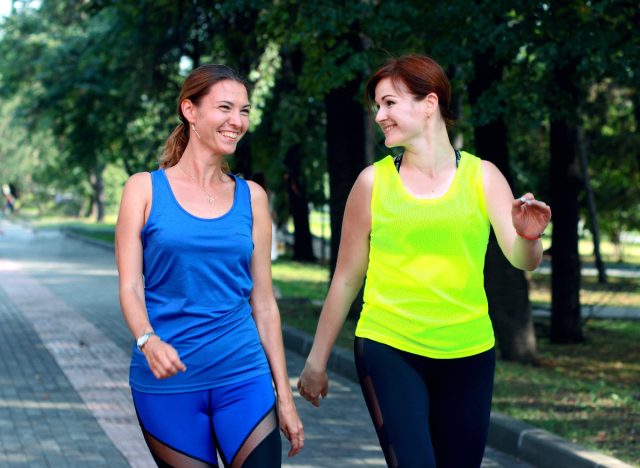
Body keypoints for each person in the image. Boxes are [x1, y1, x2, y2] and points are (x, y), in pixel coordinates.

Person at [297, 55, 551, 468]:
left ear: (429, 104)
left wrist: (529, 234)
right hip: (390, 344)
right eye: (377, 106)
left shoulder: (483, 177)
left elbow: (524, 260)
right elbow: (346, 279)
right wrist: (316, 361)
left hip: (469, 352)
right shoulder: (372, 183)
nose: (380, 116)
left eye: (390, 103)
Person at [115, 64, 303, 467]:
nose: (237, 121)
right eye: (225, 108)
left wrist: (285, 399)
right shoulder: (143, 189)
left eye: (245, 110)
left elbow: (265, 304)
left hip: (244, 376)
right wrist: (148, 340)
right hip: (168, 383)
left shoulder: (252, 198)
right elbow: (130, 287)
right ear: (190, 110)